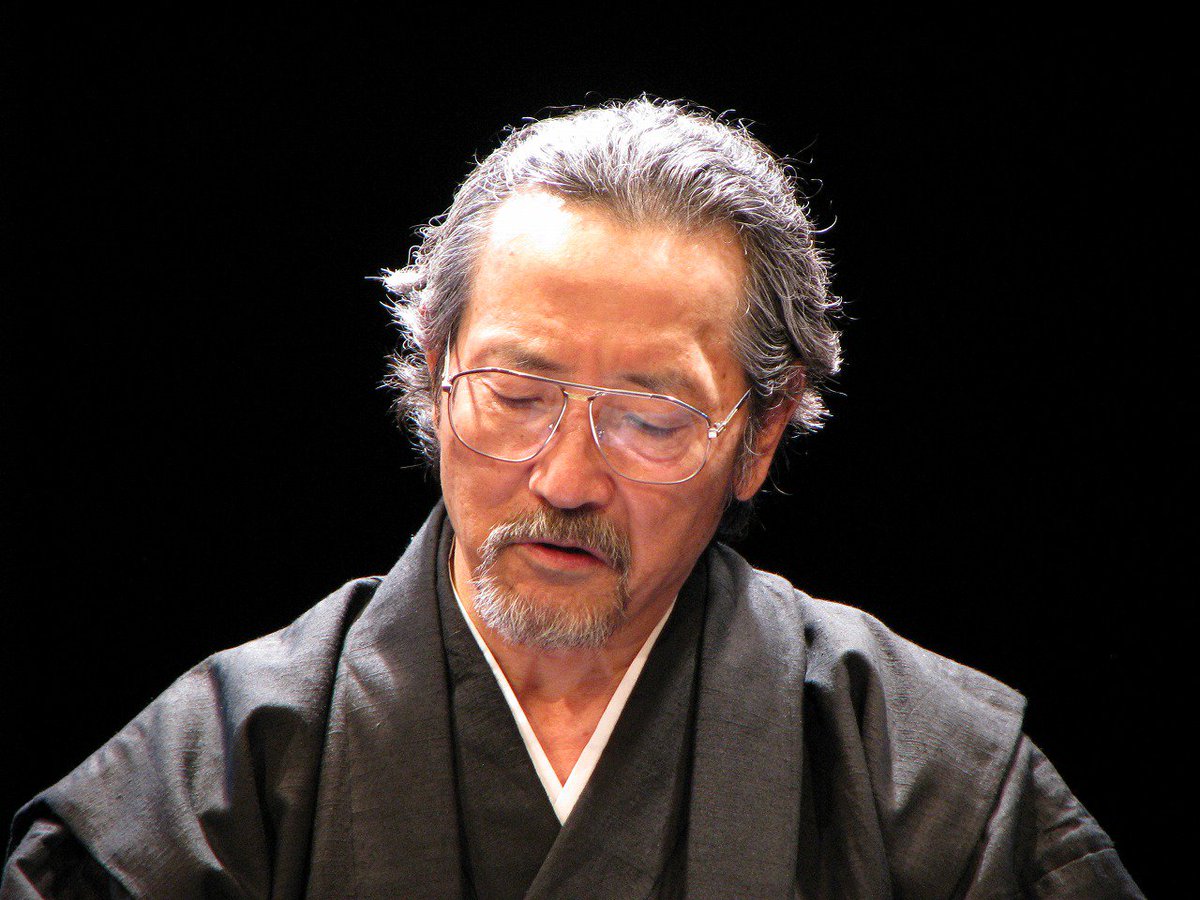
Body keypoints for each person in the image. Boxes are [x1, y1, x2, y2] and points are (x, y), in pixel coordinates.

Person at [2, 99, 1143, 898]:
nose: (565, 479)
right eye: (515, 394)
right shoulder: (223, 777)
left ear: (760, 437)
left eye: (650, 418)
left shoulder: (929, 785)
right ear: (433, 375)